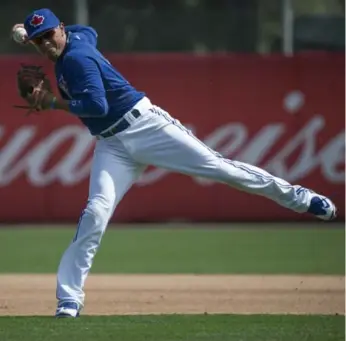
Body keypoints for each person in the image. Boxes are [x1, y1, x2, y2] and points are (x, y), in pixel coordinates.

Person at [12, 8, 337, 318]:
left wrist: (53, 102)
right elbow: (89, 30)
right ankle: (69, 298)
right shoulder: (79, 39)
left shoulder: (77, 59)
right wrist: (30, 33)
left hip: (146, 127)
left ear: (62, 29)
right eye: (39, 39)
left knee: (220, 168)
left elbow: (96, 106)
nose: (45, 43)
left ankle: (299, 198)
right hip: (112, 146)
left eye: (49, 35)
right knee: (96, 211)